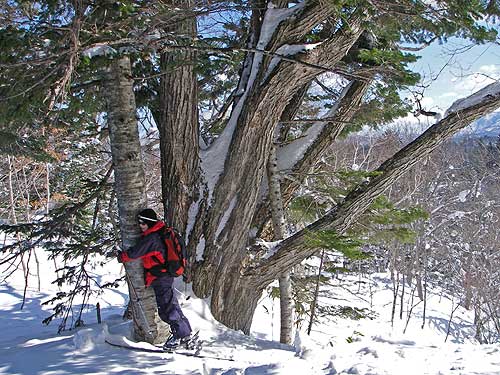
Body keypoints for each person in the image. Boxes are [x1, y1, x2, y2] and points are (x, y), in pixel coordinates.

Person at [118, 208, 192, 350]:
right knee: (171, 304)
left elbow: (135, 252)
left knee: (167, 308)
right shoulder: (160, 232)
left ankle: (181, 335)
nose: (140, 226)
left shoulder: (152, 238)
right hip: (163, 276)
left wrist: (122, 257)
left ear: (150, 223)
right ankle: (185, 333)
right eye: (139, 222)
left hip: (161, 277)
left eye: (143, 223)